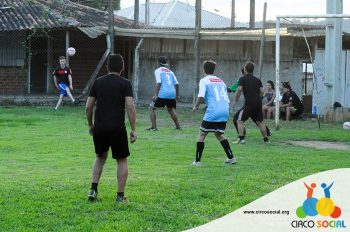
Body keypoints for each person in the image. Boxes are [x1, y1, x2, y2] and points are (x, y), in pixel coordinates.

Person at [85, 54, 137, 203]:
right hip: (117, 127)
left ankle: (93, 191)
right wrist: (134, 129)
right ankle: (120, 197)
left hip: (100, 127)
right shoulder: (125, 83)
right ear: (122, 67)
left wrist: (91, 125)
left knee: (100, 157)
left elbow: (88, 107)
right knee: (121, 160)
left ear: (107, 67)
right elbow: (130, 106)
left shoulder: (97, 82)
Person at [192, 60, 236, 166]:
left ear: (204, 69)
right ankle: (231, 158)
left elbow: (201, 95)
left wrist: (195, 106)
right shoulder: (221, 81)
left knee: (202, 134)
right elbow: (225, 97)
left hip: (214, 110)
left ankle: (197, 161)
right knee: (219, 134)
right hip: (225, 109)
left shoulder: (204, 81)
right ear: (213, 69)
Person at [232, 61, 269, 144]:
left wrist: (235, 101)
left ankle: (241, 139)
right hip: (258, 103)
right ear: (253, 70)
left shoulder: (242, 79)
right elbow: (262, 92)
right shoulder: (257, 80)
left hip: (249, 103)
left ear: (245, 69)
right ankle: (266, 140)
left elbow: (239, 90)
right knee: (260, 122)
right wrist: (258, 98)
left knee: (239, 120)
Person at [147, 56, 181, 131]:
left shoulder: (158, 71)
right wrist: (177, 95)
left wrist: (156, 95)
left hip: (163, 94)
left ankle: (154, 127)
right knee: (170, 110)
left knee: (151, 108)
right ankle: (178, 127)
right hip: (172, 94)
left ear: (158, 63)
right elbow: (177, 84)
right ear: (165, 63)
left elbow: (159, 82)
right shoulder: (170, 72)